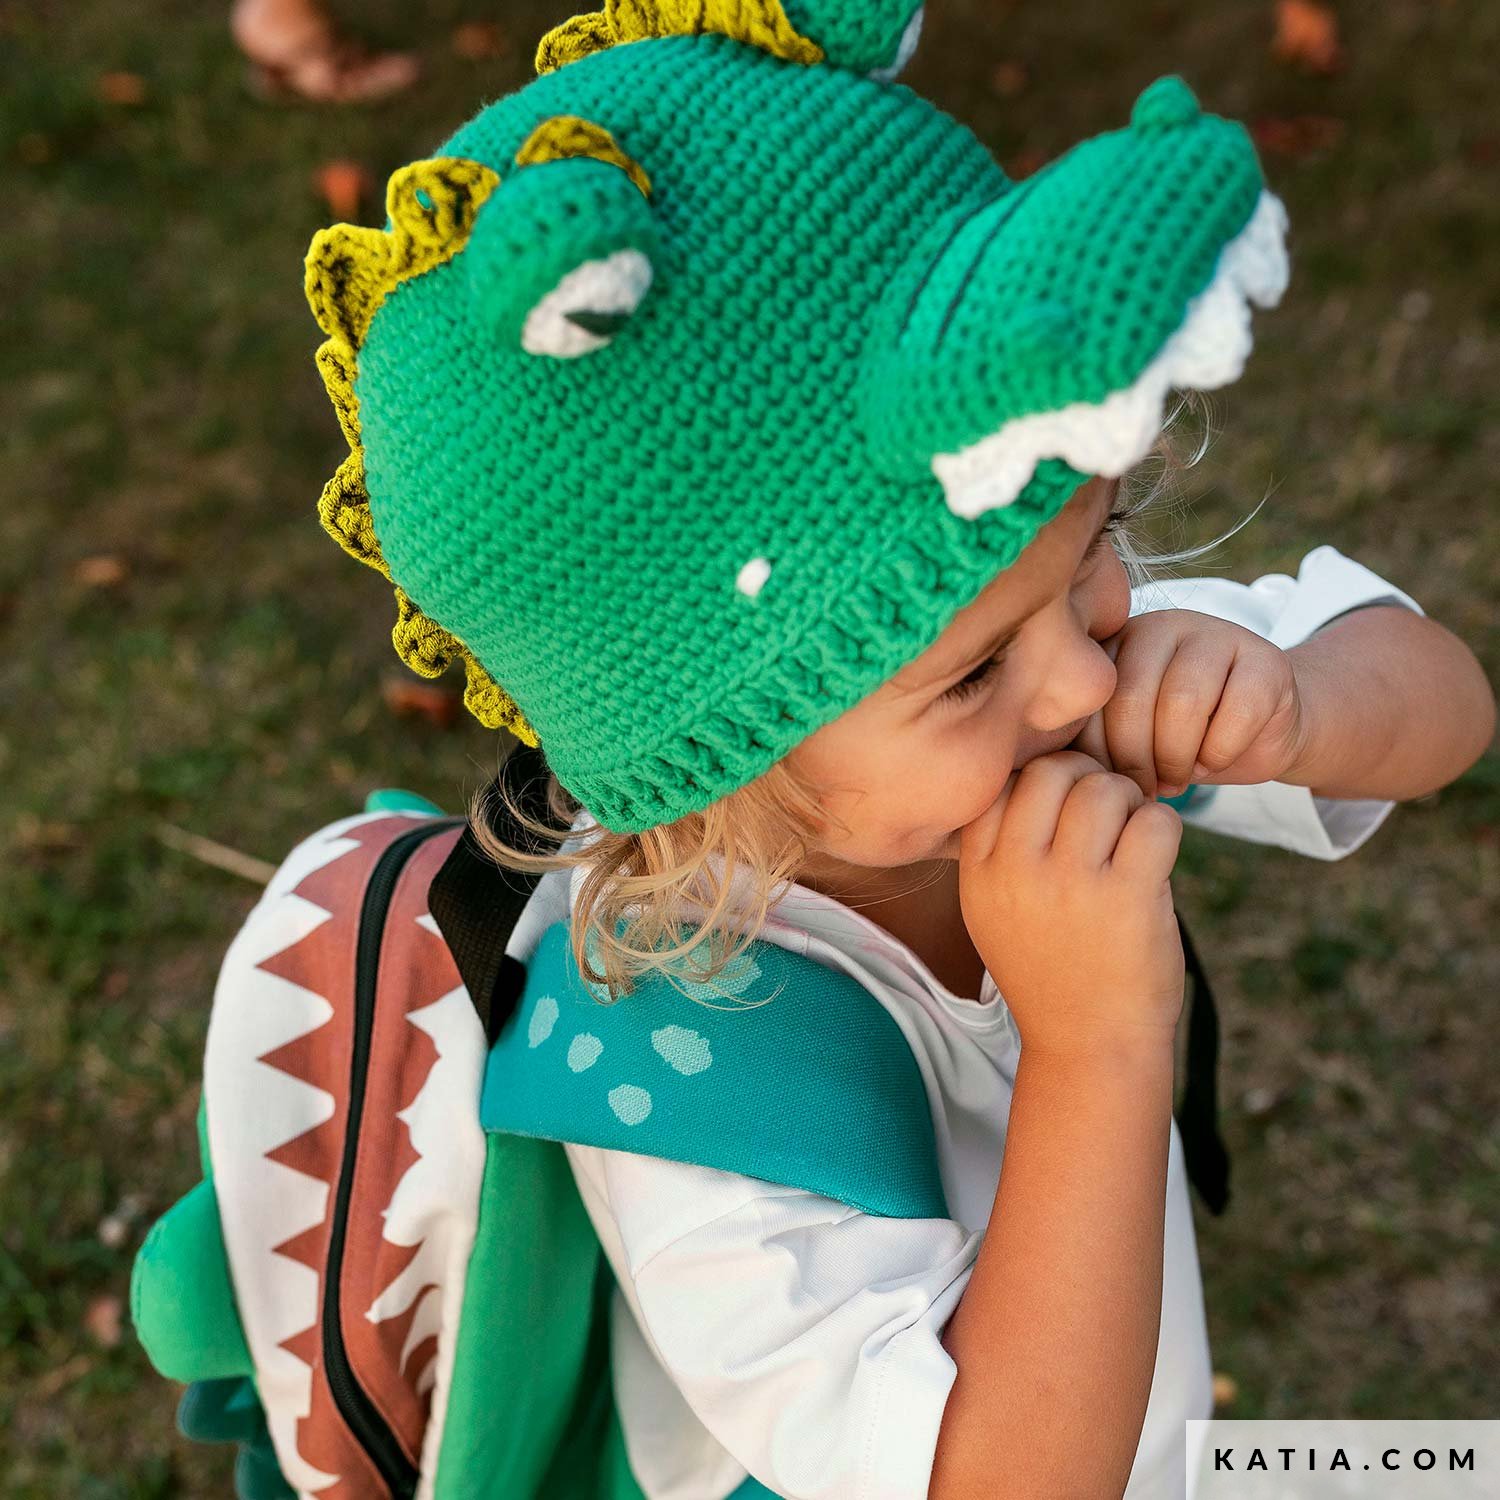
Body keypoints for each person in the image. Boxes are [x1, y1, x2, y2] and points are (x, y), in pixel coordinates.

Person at [298, 2, 1496, 1492]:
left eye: (1100, 541)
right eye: (980, 669)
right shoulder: (683, 1087)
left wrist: (1301, 703)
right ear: (724, 763)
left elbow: (1445, 706)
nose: (1078, 676)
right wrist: (1097, 1046)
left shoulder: (1024, 659)